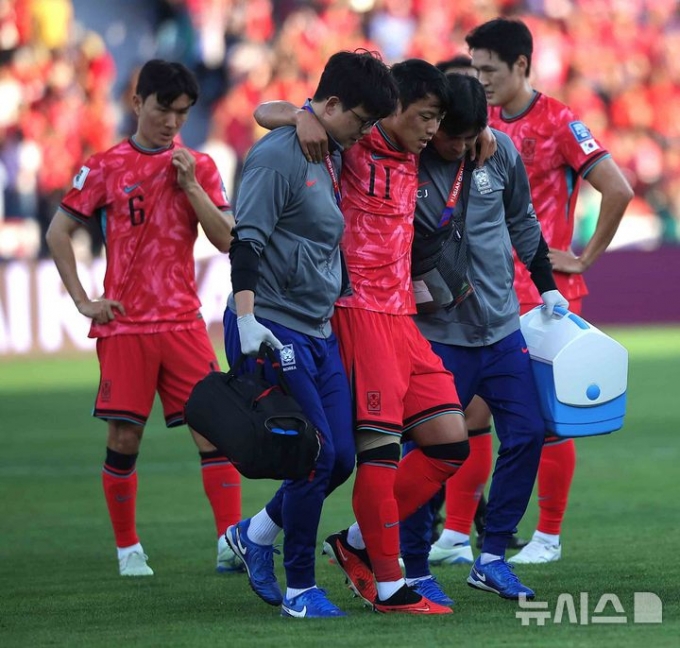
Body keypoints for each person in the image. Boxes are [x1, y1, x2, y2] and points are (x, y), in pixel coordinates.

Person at [254, 59, 494, 615]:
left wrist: (480, 131)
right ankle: (389, 585)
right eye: (425, 117)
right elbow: (266, 112)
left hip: (403, 316)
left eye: (440, 121)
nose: (432, 130)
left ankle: (355, 541)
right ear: (393, 111)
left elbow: (465, 127)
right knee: (376, 454)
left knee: (450, 442)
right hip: (356, 311)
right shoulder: (352, 144)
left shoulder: (422, 150)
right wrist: (299, 115)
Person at [432, 18, 634, 566]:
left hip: (546, 297)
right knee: (467, 414)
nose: (480, 78)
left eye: (489, 69)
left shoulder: (561, 122)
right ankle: (454, 533)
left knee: (545, 419)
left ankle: (546, 537)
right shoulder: (478, 122)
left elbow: (618, 188)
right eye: (474, 68)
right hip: (485, 293)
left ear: (522, 66)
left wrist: (585, 257)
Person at [45, 59, 242, 577]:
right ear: (137, 103)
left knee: (215, 433)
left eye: (182, 113)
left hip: (182, 324)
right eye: (163, 109)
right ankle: (128, 549)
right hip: (126, 326)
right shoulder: (104, 166)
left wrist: (192, 189)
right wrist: (85, 301)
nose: (172, 122)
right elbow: (57, 234)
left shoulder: (198, 165)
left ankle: (230, 541)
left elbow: (227, 241)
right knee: (124, 439)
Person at [223, 49, 399, 619]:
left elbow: (273, 110)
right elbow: (245, 241)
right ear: (330, 104)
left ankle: (255, 534)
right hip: (273, 322)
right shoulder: (279, 158)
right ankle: (299, 587)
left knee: (341, 456)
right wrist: (247, 320)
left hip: (318, 328)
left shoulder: (329, 147)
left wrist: (301, 115)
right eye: (360, 119)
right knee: (313, 456)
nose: (365, 132)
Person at [399, 72, 567, 600]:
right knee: (424, 450)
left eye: (474, 135)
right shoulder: (407, 159)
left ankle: (492, 555)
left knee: (528, 433)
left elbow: (523, 221)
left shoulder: (499, 152)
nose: (464, 147)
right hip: (437, 335)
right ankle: (413, 564)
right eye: (455, 136)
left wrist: (546, 288)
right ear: (433, 123)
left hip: (501, 329)